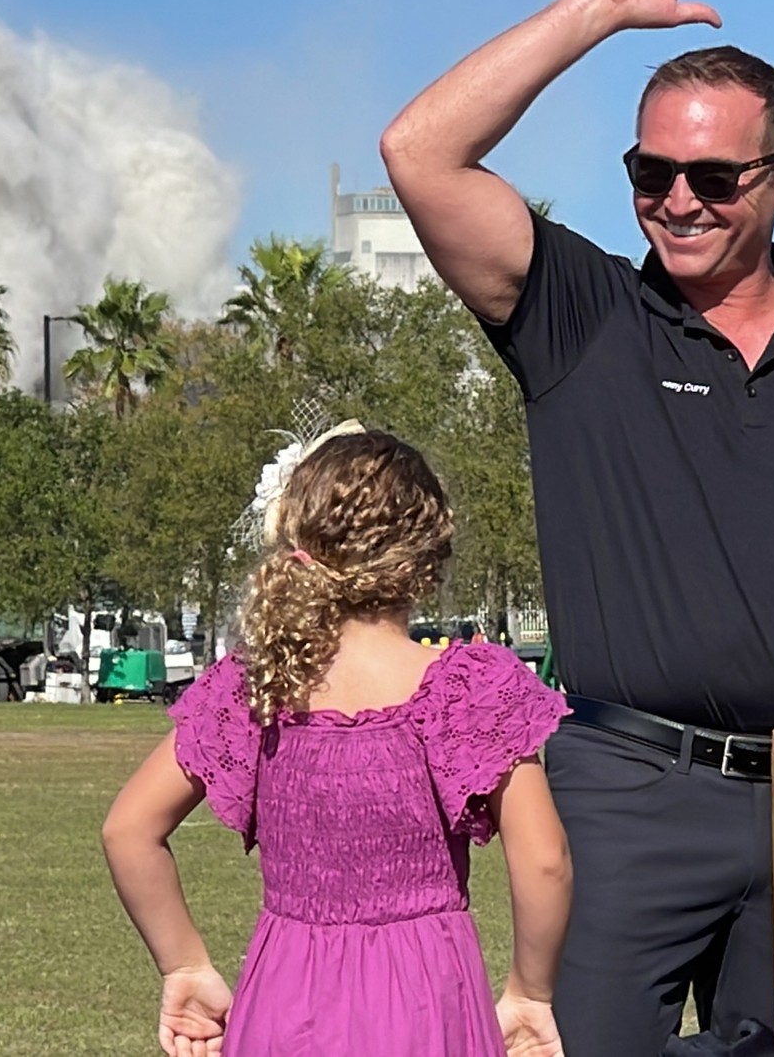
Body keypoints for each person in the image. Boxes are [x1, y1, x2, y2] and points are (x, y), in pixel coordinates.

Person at [380, 0, 774, 1052]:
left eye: (713, 178)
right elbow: (419, 150)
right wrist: (597, 11)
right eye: (649, 174)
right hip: (624, 790)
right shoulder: (580, 316)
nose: (676, 201)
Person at [100, 427, 572, 1057]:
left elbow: (128, 831)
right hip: (424, 1003)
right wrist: (529, 993)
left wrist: (184, 967)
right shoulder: (471, 687)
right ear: (426, 560)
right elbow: (545, 861)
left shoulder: (255, 686)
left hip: (282, 1006)